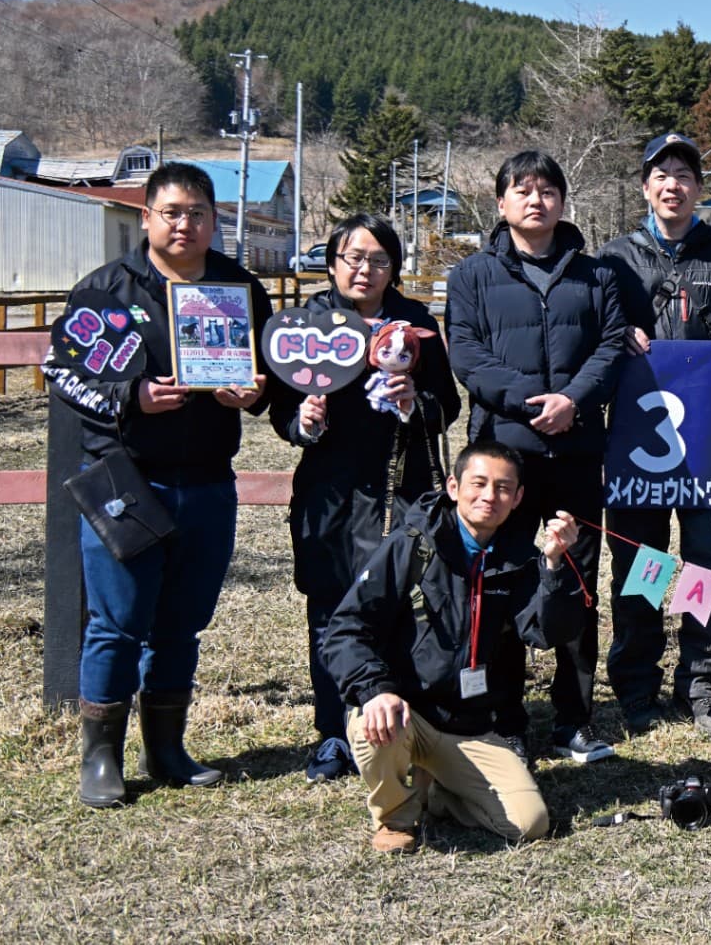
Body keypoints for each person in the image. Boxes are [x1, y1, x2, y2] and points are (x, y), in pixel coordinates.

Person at [46, 161, 271, 808]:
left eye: (197, 212)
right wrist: (132, 395)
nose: (185, 223)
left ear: (213, 219)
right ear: (146, 217)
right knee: (116, 623)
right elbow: (63, 373)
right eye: (171, 212)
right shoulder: (107, 290)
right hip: (127, 480)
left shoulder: (238, 287)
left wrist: (254, 393)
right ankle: (101, 759)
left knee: (182, 624)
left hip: (207, 480)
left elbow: (268, 374)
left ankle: (167, 748)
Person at [597, 133, 711, 735]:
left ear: (700, 187)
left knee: (706, 561)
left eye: (684, 174)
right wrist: (619, 332)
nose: (672, 184)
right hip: (638, 441)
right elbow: (594, 324)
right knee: (641, 561)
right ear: (645, 186)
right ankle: (635, 685)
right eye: (661, 174)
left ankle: (700, 681)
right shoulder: (614, 259)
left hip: (708, 441)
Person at [445, 150, 628, 764]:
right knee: (503, 582)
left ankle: (574, 720)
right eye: (521, 190)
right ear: (500, 204)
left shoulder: (596, 276)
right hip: (505, 460)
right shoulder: (472, 275)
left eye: (547, 190)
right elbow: (466, 354)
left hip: (575, 453)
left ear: (562, 202)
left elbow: (611, 349)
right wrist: (531, 401)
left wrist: (573, 401)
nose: (535, 200)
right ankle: (508, 719)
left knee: (575, 581)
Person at [269, 214, 461, 781]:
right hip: (329, 493)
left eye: (379, 259)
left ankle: (396, 728)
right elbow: (279, 411)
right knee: (328, 607)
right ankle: (333, 732)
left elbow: (446, 407)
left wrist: (411, 402)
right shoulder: (308, 325)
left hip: (401, 490)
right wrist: (301, 420)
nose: (365, 269)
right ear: (331, 263)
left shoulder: (416, 323)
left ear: (393, 269)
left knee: (399, 606)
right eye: (353, 257)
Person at [322, 441, 585, 853]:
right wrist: (376, 690)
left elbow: (545, 633)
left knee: (529, 823)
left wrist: (554, 566)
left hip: (469, 725)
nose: (489, 496)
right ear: (453, 486)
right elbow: (345, 629)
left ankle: (439, 795)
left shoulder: (519, 559)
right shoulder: (411, 544)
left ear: (517, 498)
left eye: (503, 488)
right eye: (478, 483)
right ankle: (395, 818)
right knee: (374, 724)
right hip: (406, 712)